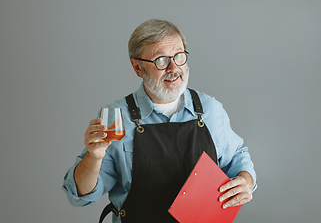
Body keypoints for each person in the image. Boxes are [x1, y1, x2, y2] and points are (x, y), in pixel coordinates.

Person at [62, 19, 257, 223]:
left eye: (179, 56)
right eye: (161, 60)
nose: (174, 67)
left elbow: (237, 154)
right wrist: (93, 157)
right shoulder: (117, 118)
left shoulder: (210, 109)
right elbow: (80, 197)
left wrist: (245, 179)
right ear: (137, 67)